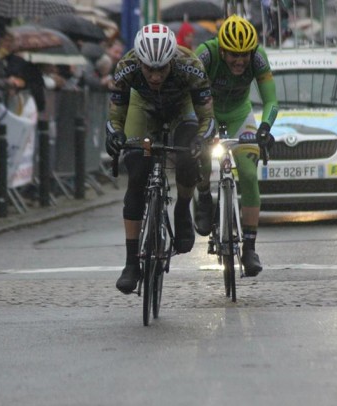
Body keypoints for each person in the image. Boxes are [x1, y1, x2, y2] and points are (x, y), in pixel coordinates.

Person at [105, 23, 215, 294]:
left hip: (181, 108)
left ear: (171, 62)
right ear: (139, 61)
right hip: (143, 108)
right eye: (149, 69)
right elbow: (115, 116)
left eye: (161, 69)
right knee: (137, 176)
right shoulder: (127, 66)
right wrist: (116, 136)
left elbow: (207, 117)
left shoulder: (190, 64)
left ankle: (182, 209)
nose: (155, 76)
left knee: (188, 156)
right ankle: (131, 263)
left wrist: (201, 140)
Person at [194, 14, 278, 277]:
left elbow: (271, 101)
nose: (240, 60)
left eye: (244, 55)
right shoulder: (206, 55)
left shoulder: (258, 57)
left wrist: (264, 129)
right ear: (222, 50)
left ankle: (250, 247)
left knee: (250, 174)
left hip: (240, 115)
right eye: (233, 55)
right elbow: (188, 93)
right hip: (208, 113)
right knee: (202, 157)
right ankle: (205, 197)